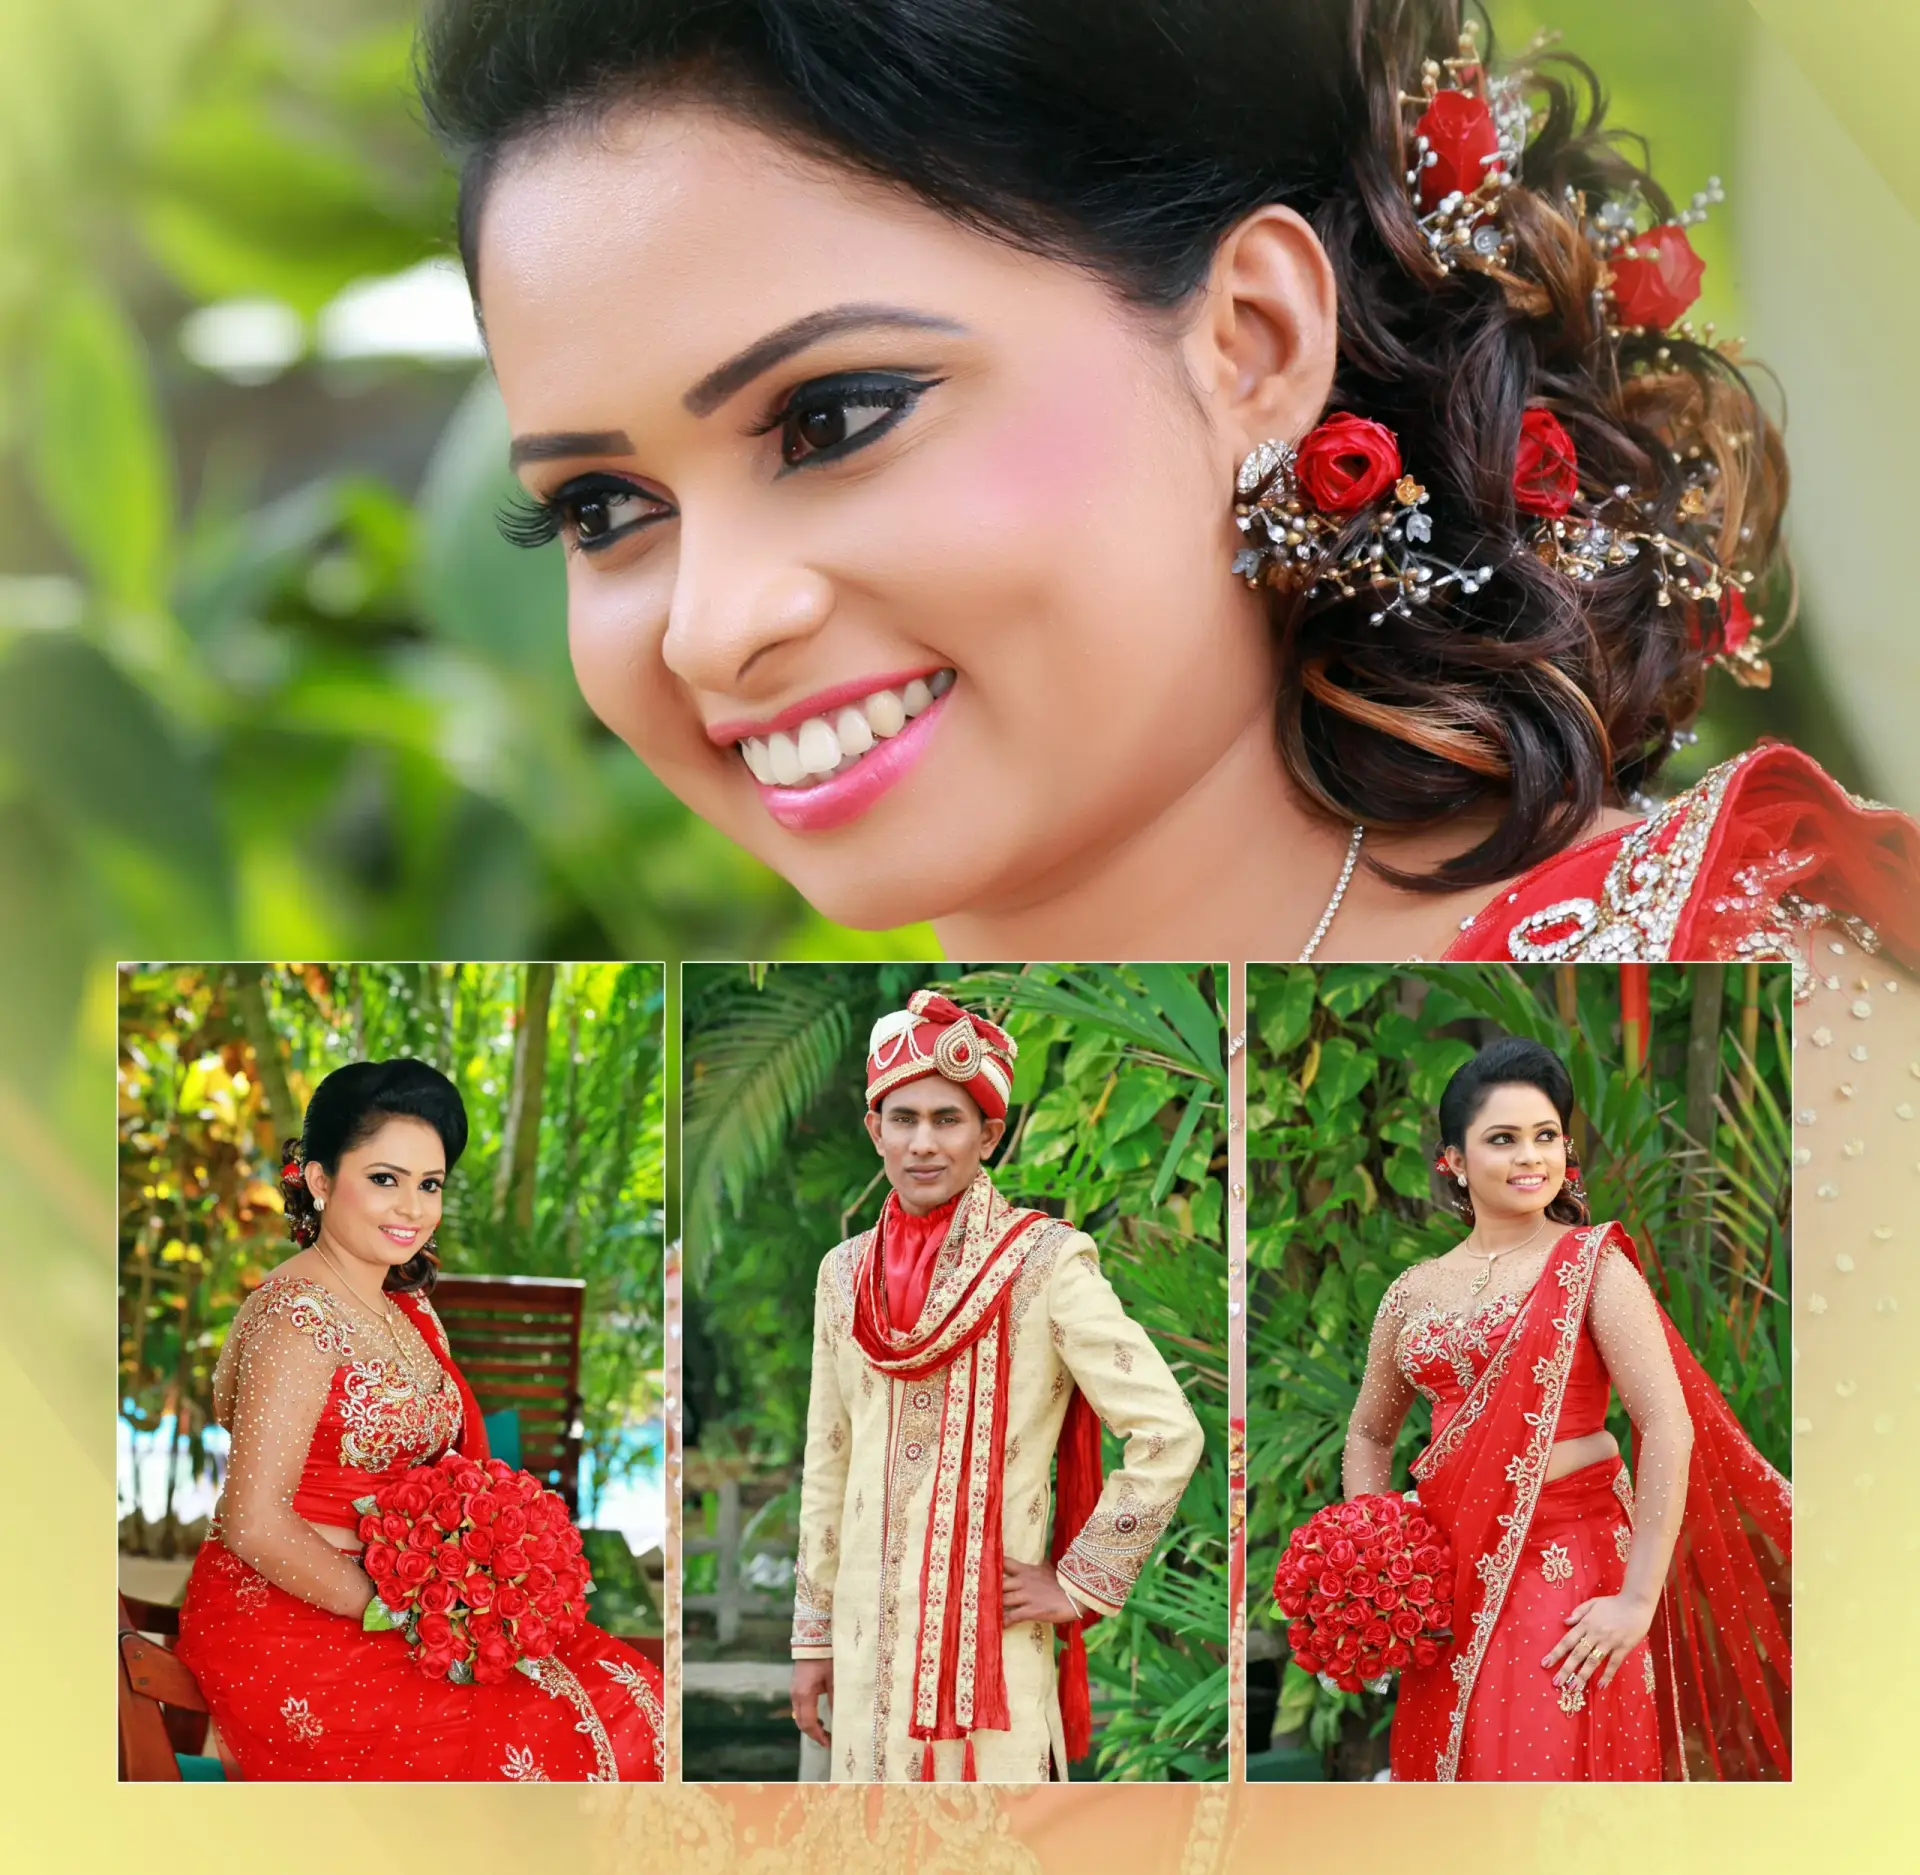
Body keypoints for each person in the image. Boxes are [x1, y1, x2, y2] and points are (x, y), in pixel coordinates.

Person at [412, 0, 1917, 967]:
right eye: (603, 509)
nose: (707, 630)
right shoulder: (849, 1157)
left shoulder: (1748, 1032)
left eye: (834, 419)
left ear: (1253, 344)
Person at [175, 1057, 664, 1781]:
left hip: (401, 1599)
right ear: (317, 1179)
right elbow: (252, 1520)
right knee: (540, 1738)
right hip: (296, 1612)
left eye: (428, 1184)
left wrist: (484, 1573)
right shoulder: (297, 1319)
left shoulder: (403, 1303)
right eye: (384, 1178)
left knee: (635, 1694)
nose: (411, 1207)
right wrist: (403, 1610)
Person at [1341, 1035, 1789, 1781]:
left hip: (1570, 1575)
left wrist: (1637, 1598)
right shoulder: (1411, 1292)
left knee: (1544, 1782)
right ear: (1453, 1160)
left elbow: (1665, 1423)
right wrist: (1382, 1564)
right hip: (1447, 1585)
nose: (1530, 1157)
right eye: (1503, 1139)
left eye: (1546, 1136)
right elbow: (1368, 1431)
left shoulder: (1592, 1266)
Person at [788, 991, 1205, 1781]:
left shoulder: (1045, 1262)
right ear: (873, 1129)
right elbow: (827, 1461)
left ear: (989, 1133)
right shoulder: (842, 1276)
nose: (922, 1142)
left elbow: (1168, 1431)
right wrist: (812, 1641)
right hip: (863, 1644)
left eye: (948, 1119)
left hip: (989, 1649)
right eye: (902, 1118)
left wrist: (1078, 1580)